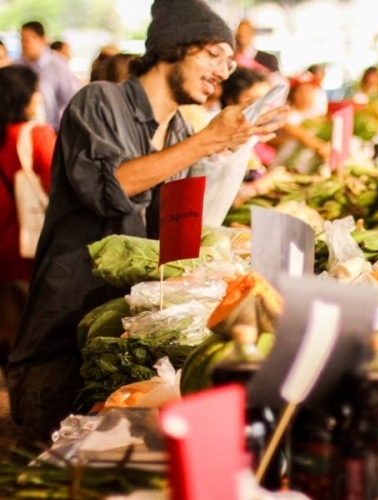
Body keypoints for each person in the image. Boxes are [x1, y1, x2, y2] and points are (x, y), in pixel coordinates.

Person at [6, 0, 284, 440]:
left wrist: (229, 154)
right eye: (214, 54)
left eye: (231, 61)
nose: (225, 72)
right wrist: (204, 143)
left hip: (123, 342)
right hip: (61, 343)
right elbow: (108, 187)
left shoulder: (177, 132)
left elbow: (184, 230)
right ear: (176, 46)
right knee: (55, 471)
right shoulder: (99, 101)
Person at [0, 66, 56, 369]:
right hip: (28, 244)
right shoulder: (35, 134)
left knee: (7, 325)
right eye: (35, 90)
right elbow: (59, 185)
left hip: (3, 245)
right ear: (23, 96)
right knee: (32, 327)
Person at [15, 21, 81, 130]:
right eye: (21, 39)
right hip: (23, 130)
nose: (23, 44)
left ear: (42, 40)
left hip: (53, 130)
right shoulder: (17, 65)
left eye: (27, 40)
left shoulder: (58, 65)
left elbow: (71, 99)